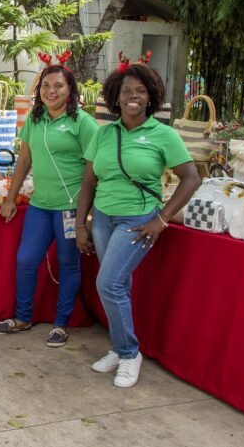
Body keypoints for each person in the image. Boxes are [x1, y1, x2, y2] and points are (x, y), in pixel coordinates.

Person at [75, 60, 200, 388]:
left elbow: (191, 178)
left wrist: (161, 219)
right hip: (103, 217)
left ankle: (130, 354)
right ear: (116, 97)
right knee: (119, 285)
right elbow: (88, 182)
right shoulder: (104, 134)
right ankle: (119, 348)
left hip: (138, 219)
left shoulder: (164, 135)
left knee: (109, 284)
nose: (133, 96)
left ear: (150, 98)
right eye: (126, 91)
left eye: (140, 91)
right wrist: (80, 224)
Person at [0, 56, 98, 347]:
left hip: (70, 207)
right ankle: (23, 318)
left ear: (70, 89)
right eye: (45, 86)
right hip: (40, 205)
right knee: (26, 260)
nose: (51, 91)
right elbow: (24, 159)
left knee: (68, 264)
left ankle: (61, 324)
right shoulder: (34, 120)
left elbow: (93, 170)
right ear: (39, 91)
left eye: (59, 86)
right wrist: (10, 198)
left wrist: (84, 214)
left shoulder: (84, 123)